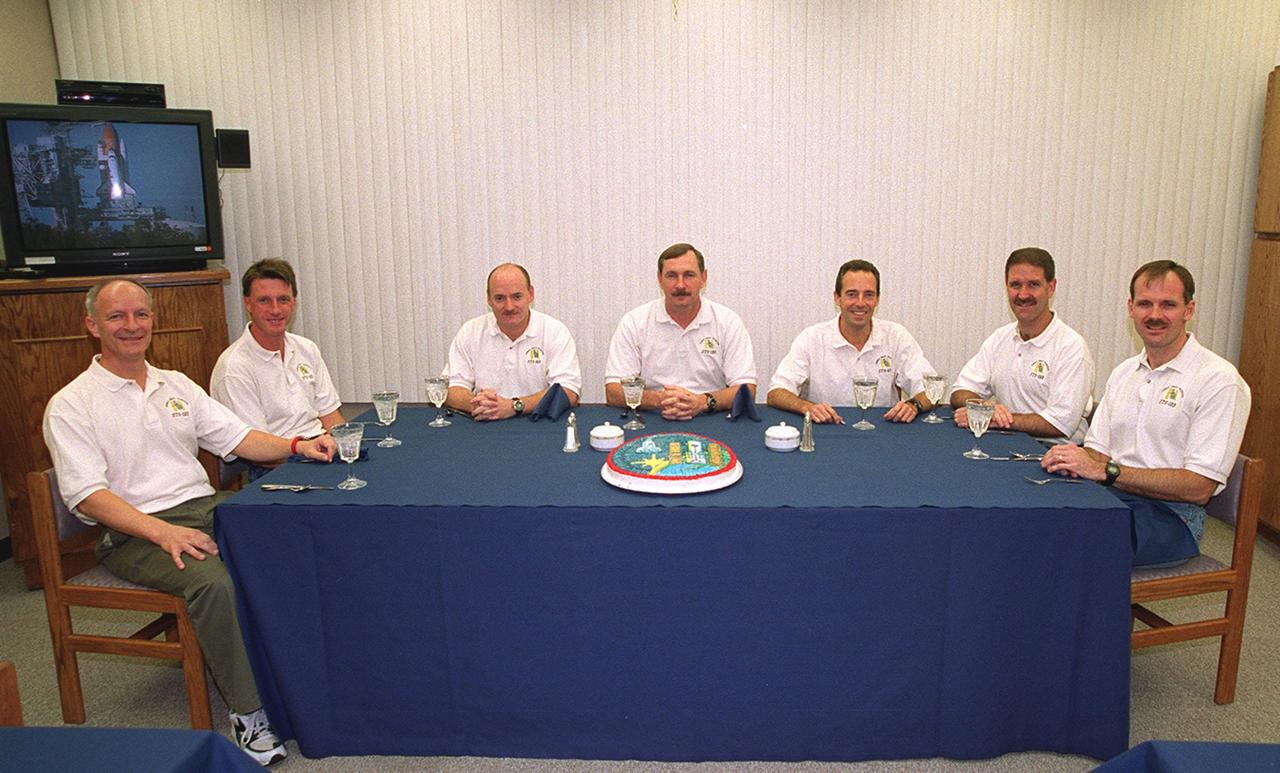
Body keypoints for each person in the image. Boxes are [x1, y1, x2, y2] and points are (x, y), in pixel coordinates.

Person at [43, 278, 337, 765]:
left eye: (141, 314)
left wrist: (297, 446)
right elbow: (88, 496)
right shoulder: (72, 404)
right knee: (213, 582)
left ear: (152, 320)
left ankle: (302, 681)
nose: (132, 326)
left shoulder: (175, 384)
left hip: (204, 507)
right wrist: (163, 533)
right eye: (117, 316)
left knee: (288, 543)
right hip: (134, 531)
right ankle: (249, 712)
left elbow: (239, 437)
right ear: (92, 325)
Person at [1041, 261, 1251, 567]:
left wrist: (1108, 472)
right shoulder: (1125, 372)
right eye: (1145, 304)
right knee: (1030, 518)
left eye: (1168, 305)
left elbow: (1199, 488)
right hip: (1114, 498)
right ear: (1131, 308)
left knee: (1061, 547)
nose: (1155, 315)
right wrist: (1071, 460)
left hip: (1173, 516)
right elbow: (1097, 454)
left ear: (1189, 310)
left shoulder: (1219, 380)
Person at [211, 259, 344, 477]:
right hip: (275, 469)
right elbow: (257, 451)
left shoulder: (306, 349)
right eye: (264, 300)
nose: (275, 310)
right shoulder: (234, 368)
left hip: (320, 454)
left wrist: (343, 447)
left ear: (293, 303)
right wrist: (306, 451)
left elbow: (331, 417)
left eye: (283, 299)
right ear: (248, 304)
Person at [950, 247, 1095, 443]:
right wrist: (983, 407)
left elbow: (1060, 424)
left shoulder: (1071, 348)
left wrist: (995, 419)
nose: (1023, 294)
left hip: (1053, 452)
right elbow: (960, 391)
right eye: (1015, 285)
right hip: (1004, 442)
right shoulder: (1000, 338)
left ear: (1051, 287)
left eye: (1033, 284)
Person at [768, 260, 935, 423]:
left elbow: (933, 388)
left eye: (868, 294)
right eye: (852, 294)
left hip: (884, 431)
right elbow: (776, 392)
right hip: (826, 430)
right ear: (837, 298)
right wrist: (807, 407)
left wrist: (914, 405)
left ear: (877, 299)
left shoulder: (896, 336)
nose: (860, 303)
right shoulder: (811, 338)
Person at [604, 243, 756, 420]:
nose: (680, 284)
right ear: (659, 279)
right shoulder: (634, 322)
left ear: (704, 277)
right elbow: (613, 391)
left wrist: (702, 402)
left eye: (689, 275)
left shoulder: (728, 322)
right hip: (652, 416)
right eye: (671, 276)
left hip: (711, 415)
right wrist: (660, 399)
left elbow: (747, 389)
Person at [444, 263, 581, 419]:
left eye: (516, 297)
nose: (509, 307)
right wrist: (480, 405)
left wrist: (514, 406)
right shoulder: (470, 332)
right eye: (499, 298)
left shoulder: (554, 331)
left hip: (538, 423)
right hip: (485, 423)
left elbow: (568, 391)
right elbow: (450, 389)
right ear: (488, 298)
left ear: (530, 294)